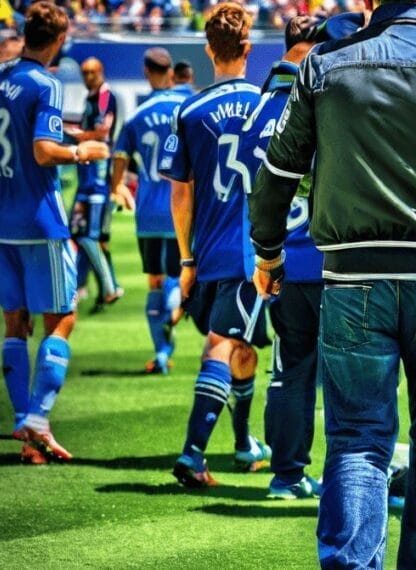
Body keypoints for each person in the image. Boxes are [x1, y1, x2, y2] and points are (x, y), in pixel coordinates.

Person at [248, 0, 416, 566]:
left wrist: (269, 255)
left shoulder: (323, 65)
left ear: (370, 4)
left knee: (357, 439)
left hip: (353, 275)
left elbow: (276, 176)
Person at [0, 1, 110, 463]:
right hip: (40, 221)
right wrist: (84, 150)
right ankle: (39, 417)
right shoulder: (46, 82)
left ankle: (25, 424)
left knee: (14, 322)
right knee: (62, 317)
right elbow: (45, 151)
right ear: (61, 41)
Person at [245, 14, 359, 500]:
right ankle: (347, 477)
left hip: (278, 255)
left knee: (289, 368)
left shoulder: (260, 106)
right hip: (331, 257)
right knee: (348, 374)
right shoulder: (331, 101)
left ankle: (286, 474)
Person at [159, 2, 271, 488]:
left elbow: (179, 195)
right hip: (253, 252)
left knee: (243, 345)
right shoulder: (268, 105)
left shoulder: (189, 109)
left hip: (209, 250)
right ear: (248, 48)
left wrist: (187, 258)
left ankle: (245, 444)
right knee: (224, 343)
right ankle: (192, 453)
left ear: (208, 51)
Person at [111, 48, 189, 375]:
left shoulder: (136, 116)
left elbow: (119, 160)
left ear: (146, 72)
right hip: (178, 209)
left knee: (154, 281)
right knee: (176, 276)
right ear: (171, 73)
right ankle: (175, 310)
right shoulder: (184, 111)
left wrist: (117, 187)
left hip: (147, 213)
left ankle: (160, 354)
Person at [67, 57, 121, 313]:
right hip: (85, 181)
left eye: (91, 72)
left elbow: (102, 133)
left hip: (98, 182)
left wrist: (75, 135)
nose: (87, 76)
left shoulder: (104, 95)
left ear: (100, 72)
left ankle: (109, 287)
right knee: (78, 232)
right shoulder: (90, 97)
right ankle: (82, 285)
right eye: (84, 72)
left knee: (89, 236)